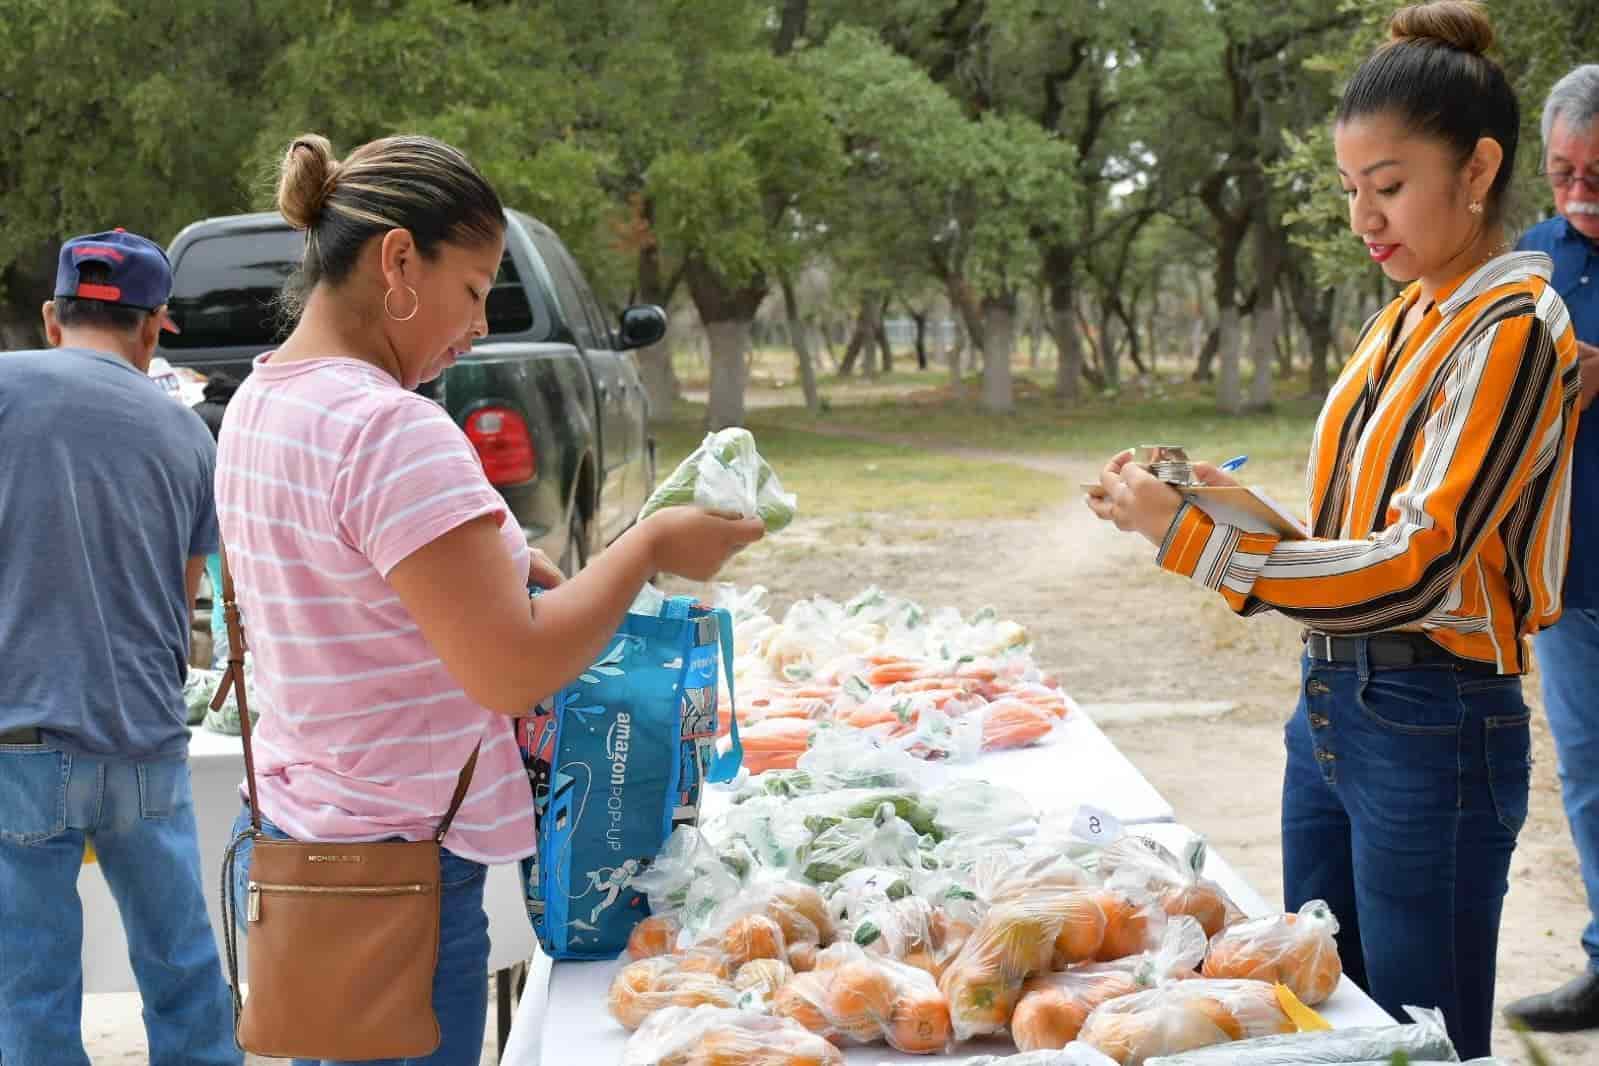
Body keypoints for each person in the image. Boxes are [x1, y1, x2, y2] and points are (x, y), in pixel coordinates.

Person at [1086, 2, 1579, 1057]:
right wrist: (1213, 499)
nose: (1366, 216)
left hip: (1431, 716)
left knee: (1412, 1036)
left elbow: (1416, 567)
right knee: (1320, 1017)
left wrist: (1190, 541)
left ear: (1480, 168)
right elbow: (1352, 534)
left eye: (1390, 186)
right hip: (1334, 704)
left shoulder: (1515, 328)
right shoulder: (1407, 312)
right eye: (1353, 189)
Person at [218, 132, 763, 1066]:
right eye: (472, 290)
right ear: (397, 261)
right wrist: (650, 546)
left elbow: (360, 597)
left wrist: (507, 577)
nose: (477, 325)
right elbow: (513, 669)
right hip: (396, 880)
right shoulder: (390, 429)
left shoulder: (261, 402)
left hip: (298, 844)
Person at [0, 230, 240, 1065]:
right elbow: (183, 602)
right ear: (152, 330)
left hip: (20, 739)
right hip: (144, 741)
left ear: (50, 319)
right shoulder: (188, 436)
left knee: (28, 987)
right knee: (181, 971)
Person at [1503, 63, 1599, 1034]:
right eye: (1565, 173)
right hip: (1570, 587)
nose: (1579, 197)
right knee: (1589, 775)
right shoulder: (1531, 259)